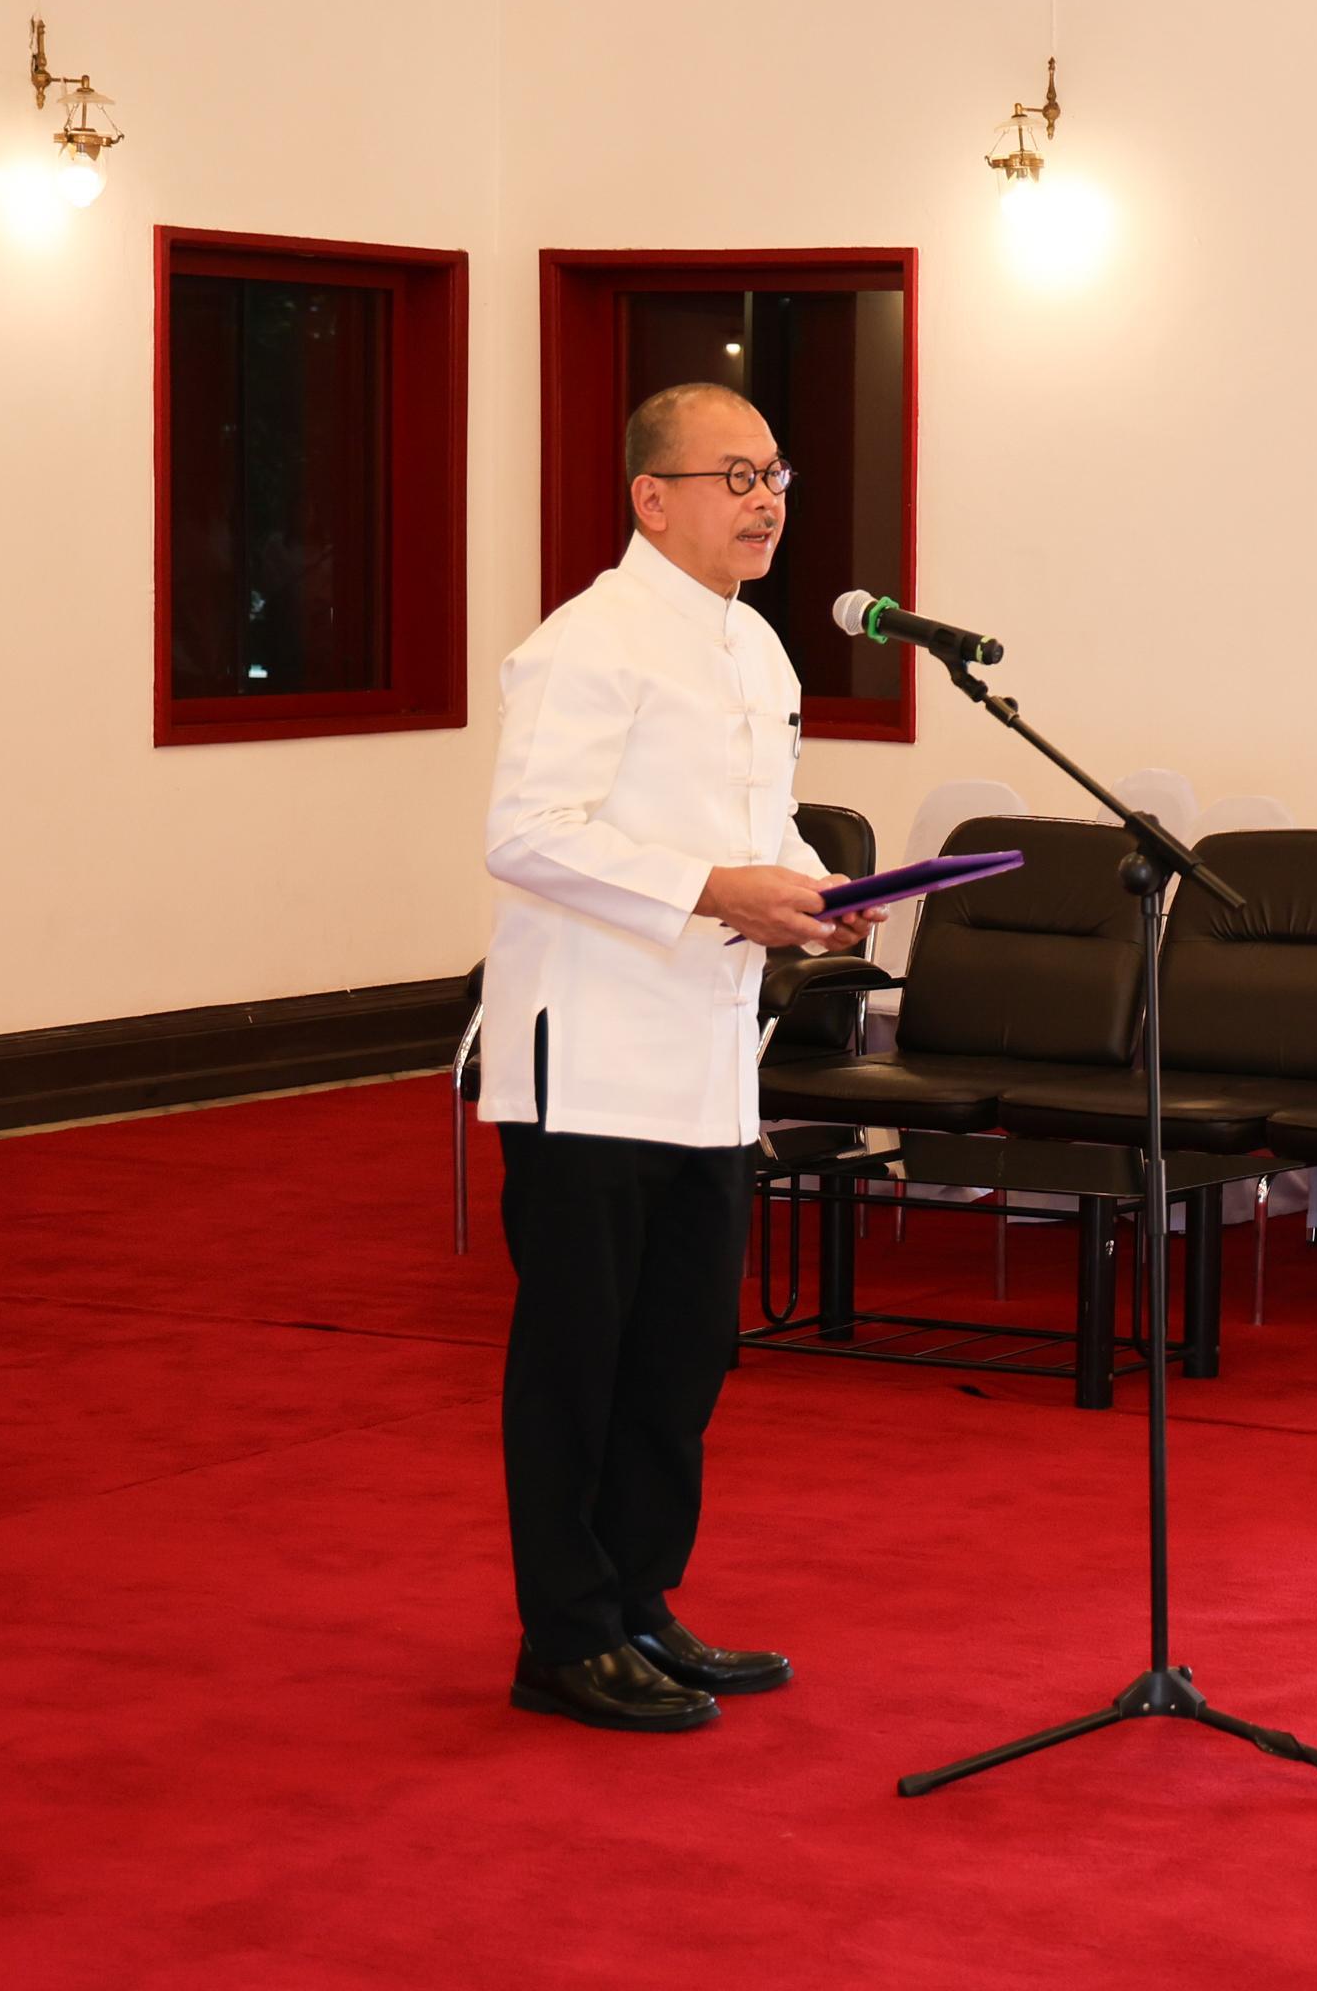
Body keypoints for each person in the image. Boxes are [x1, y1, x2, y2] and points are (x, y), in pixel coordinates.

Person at [478, 381, 868, 1734]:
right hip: (588, 1052)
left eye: (776, 474)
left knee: (681, 1354)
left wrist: (817, 889)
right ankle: (565, 1636)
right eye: (735, 476)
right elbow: (527, 834)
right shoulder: (585, 643)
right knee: (578, 1360)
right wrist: (716, 889)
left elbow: (754, 829)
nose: (766, 501)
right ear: (653, 499)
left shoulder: (756, 647)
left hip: (707, 1053)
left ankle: (641, 1603)